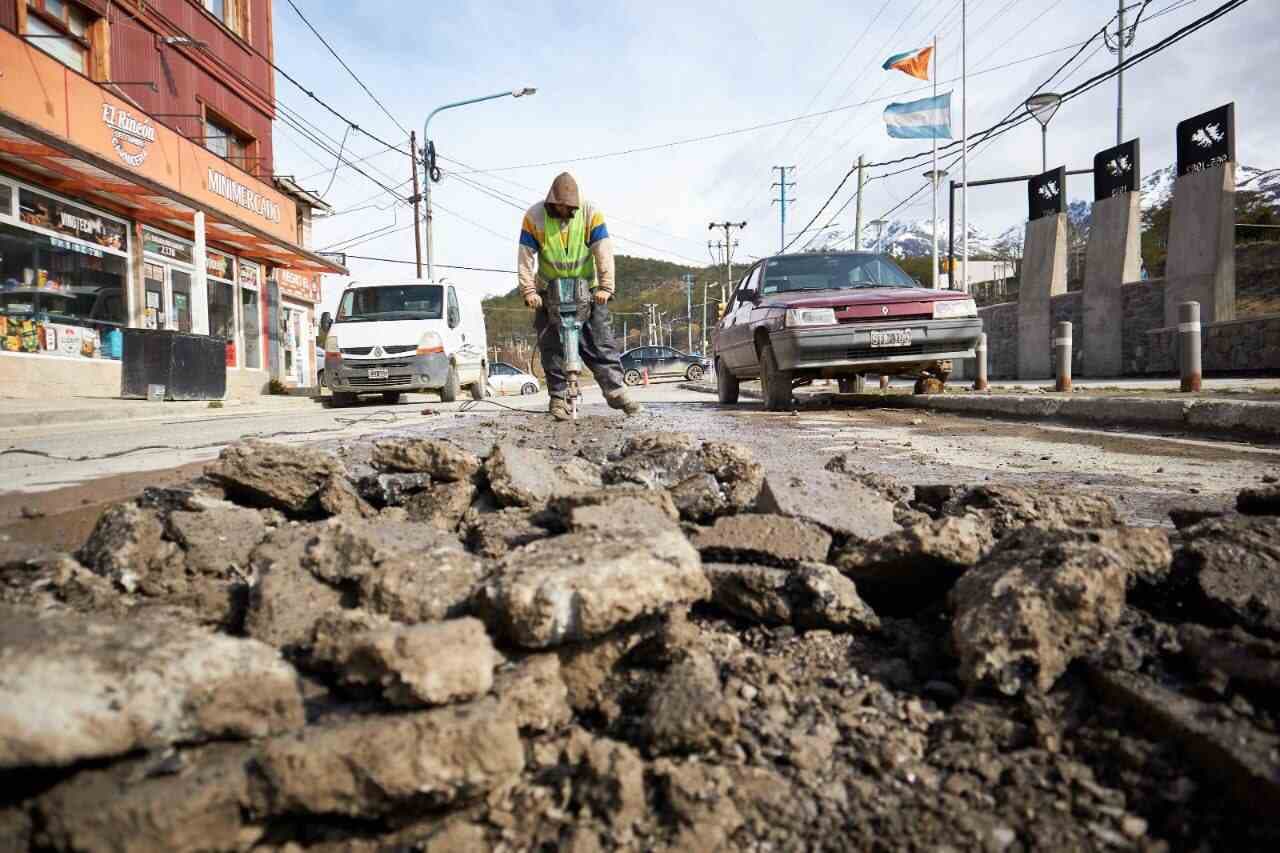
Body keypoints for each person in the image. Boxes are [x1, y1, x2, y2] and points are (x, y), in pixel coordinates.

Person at [518, 172, 642, 420]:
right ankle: (558, 398)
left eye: (568, 207)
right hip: (549, 289)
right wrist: (529, 291)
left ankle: (616, 391)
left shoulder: (589, 213)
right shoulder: (534, 216)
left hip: (588, 288)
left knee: (600, 342)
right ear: (551, 201)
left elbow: (603, 250)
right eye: (559, 206)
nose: (564, 211)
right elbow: (525, 255)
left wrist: (606, 288)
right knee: (552, 347)